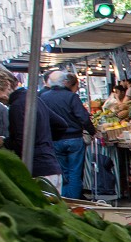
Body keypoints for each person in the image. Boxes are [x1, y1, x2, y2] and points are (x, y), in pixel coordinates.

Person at [0, 64, 61, 190]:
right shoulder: (31, 98)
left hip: (37, 171)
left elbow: (21, 144)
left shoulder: (17, 105)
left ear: (6, 84)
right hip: (51, 168)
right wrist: (43, 140)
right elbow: (60, 125)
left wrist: (3, 141)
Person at [41, 70, 96, 198]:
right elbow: (83, 117)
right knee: (75, 173)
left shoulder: (43, 97)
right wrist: (92, 131)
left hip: (55, 139)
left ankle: (66, 200)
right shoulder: (71, 97)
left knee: (63, 173)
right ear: (64, 82)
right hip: (74, 139)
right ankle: (75, 200)